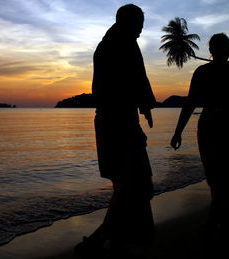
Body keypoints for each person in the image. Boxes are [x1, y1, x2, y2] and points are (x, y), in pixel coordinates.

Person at [75, 4, 157, 258]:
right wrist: (143, 106)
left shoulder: (111, 43)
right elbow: (133, 79)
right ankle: (100, 239)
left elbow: (132, 80)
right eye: (139, 25)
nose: (141, 31)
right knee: (133, 185)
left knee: (128, 184)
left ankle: (118, 238)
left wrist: (143, 107)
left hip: (114, 120)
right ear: (128, 22)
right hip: (118, 121)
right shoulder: (121, 44)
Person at [170, 33, 229, 248]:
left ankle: (213, 224)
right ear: (213, 50)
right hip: (212, 127)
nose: (224, 50)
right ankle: (220, 223)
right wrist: (178, 132)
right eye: (220, 46)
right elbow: (190, 103)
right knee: (216, 179)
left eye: (226, 46)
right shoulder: (204, 72)